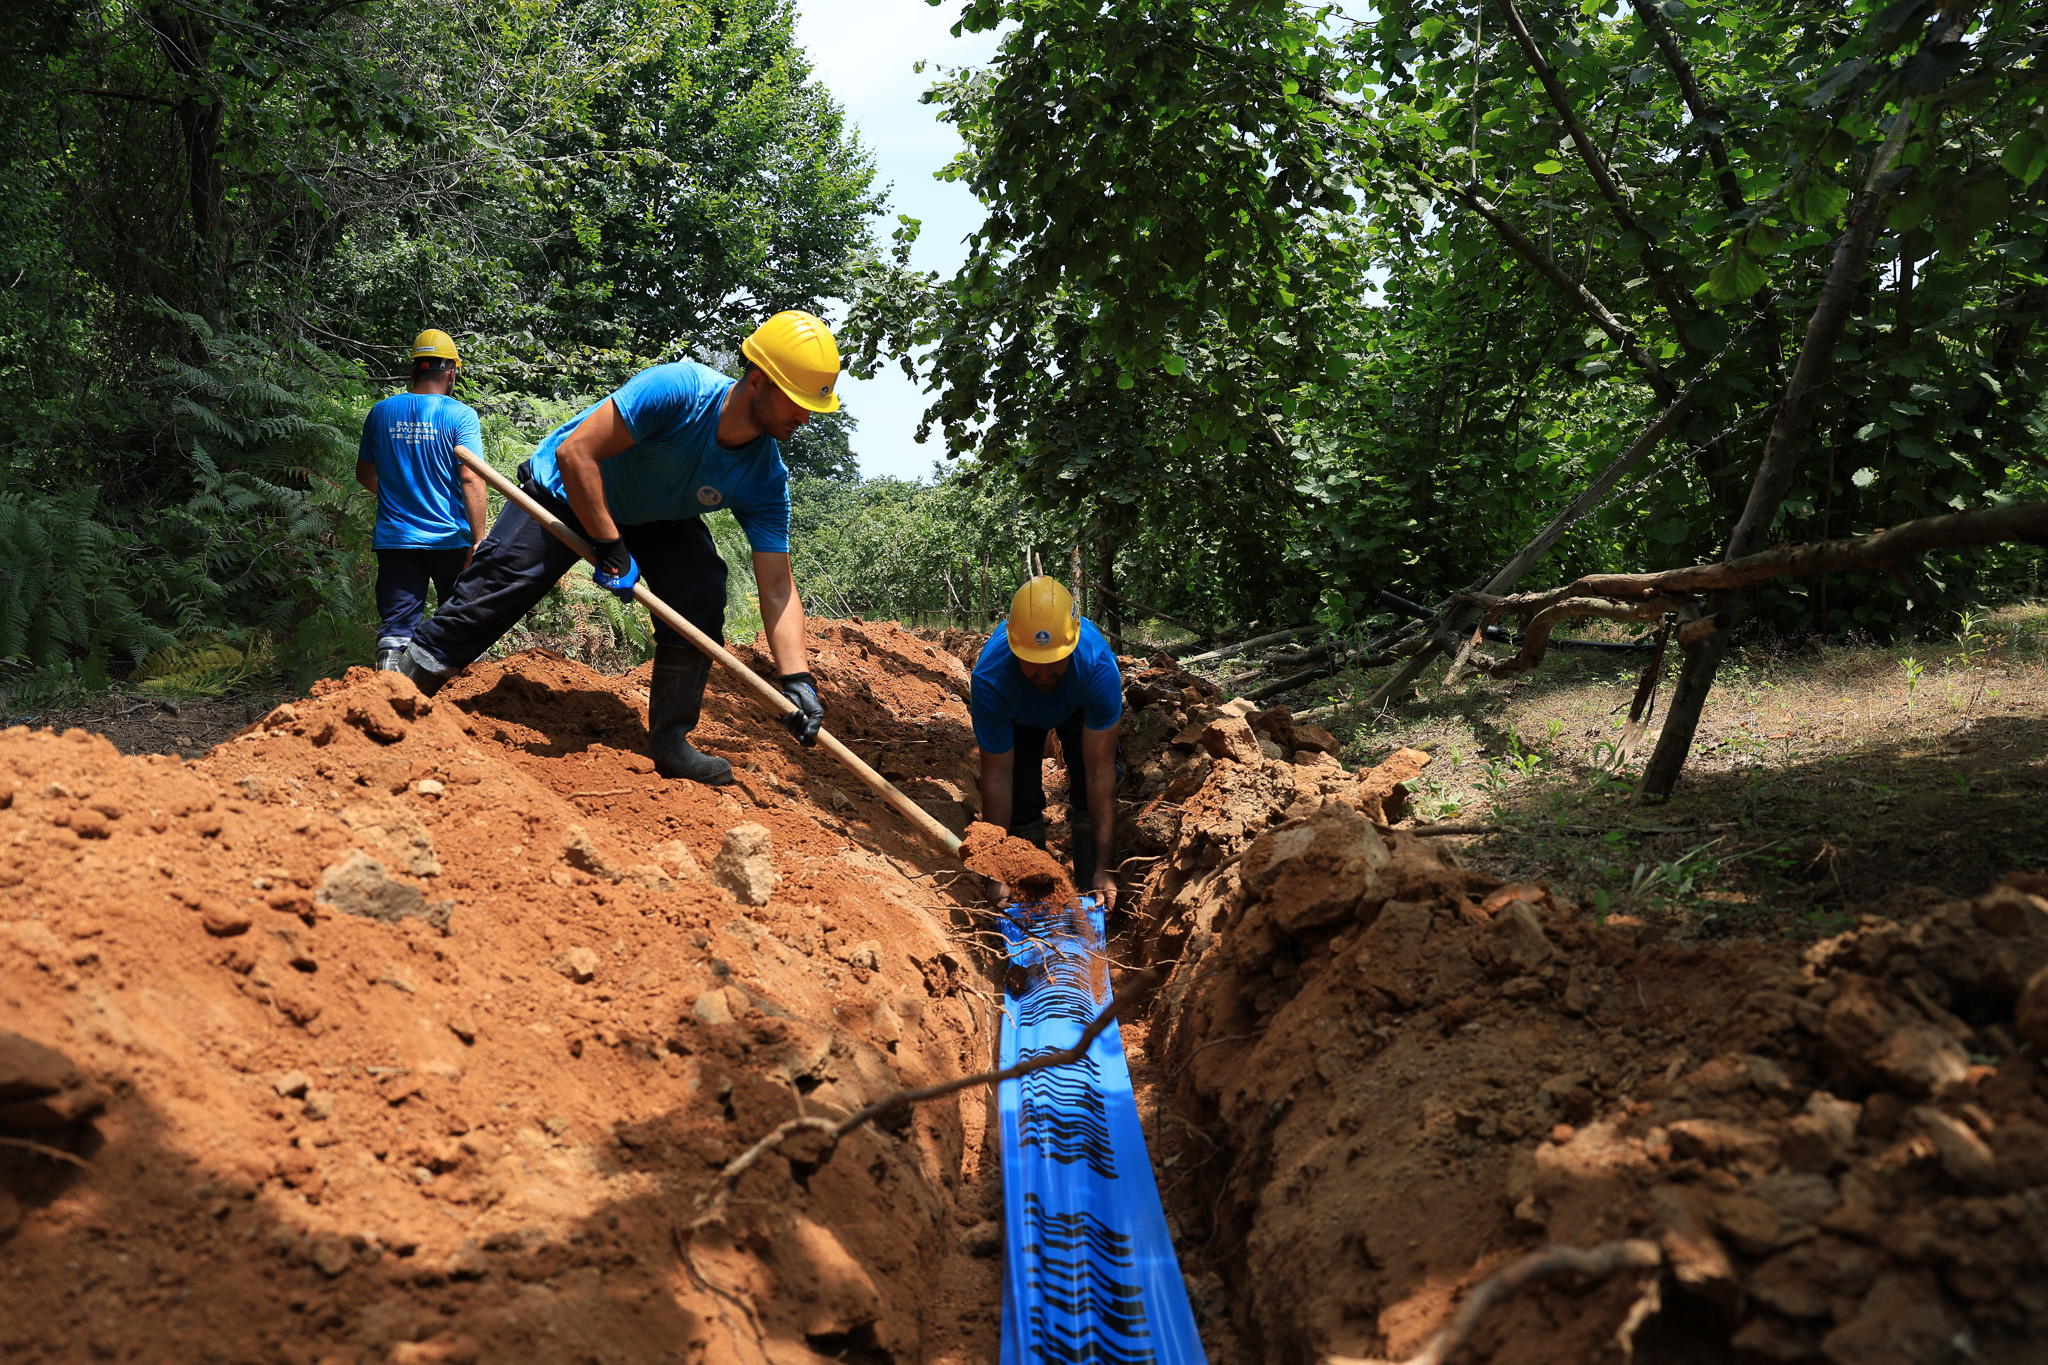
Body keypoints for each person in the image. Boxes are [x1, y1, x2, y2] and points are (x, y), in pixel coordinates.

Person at [389, 310, 837, 788]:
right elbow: (576, 452)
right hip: (567, 488)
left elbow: (776, 588)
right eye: (795, 400)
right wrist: (609, 545)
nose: (804, 416)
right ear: (757, 380)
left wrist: (797, 680)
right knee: (500, 584)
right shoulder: (679, 389)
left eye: (813, 405)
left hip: (652, 514)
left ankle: (670, 740)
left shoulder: (766, 479)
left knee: (699, 588)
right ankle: (398, 693)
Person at [971, 576, 1124, 909]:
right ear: (1014, 649)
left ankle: (1090, 886)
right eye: (1033, 664)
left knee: (1088, 786)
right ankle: (1033, 893)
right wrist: (996, 870)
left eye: (1053, 662)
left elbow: (1101, 775)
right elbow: (997, 778)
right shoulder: (991, 679)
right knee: (1021, 802)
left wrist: (1106, 869)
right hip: (1018, 715)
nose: (1043, 674)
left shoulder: (1097, 668)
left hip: (1076, 706)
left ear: (1072, 645)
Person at [354, 329, 488, 671]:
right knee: (460, 623)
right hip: (451, 540)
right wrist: (479, 539)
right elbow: (471, 476)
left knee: (396, 630)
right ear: (451, 373)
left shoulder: (381, 412)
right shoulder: (460, 416)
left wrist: (398, 496)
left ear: (413, 371)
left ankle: (388, 701)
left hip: (397, 539)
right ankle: (460, 706)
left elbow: (364, 473)